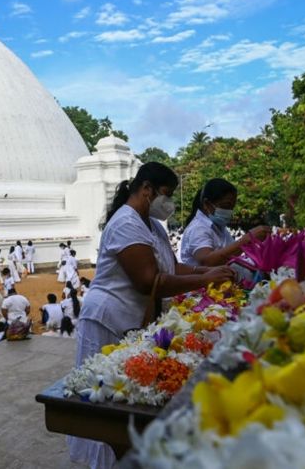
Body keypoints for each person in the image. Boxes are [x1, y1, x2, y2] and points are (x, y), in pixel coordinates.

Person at [69, 162, 236, 468]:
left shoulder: (154, 225)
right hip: (108, 319)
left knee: (126, 407)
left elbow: (172, 269)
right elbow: (148, 280)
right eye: (166, 194)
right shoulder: (125, 223)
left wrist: (208, 271)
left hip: (134, 321)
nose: (170, 203)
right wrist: (206, 279)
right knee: (108, 410)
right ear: (146, 190)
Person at [180, 178, 271, 267]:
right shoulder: (198, 228)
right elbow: (207, 261)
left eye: (232, 207)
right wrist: (247, 239)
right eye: (226, 206)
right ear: (207, 204)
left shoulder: (220, 228)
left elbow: (232, 254)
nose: (229, 211)